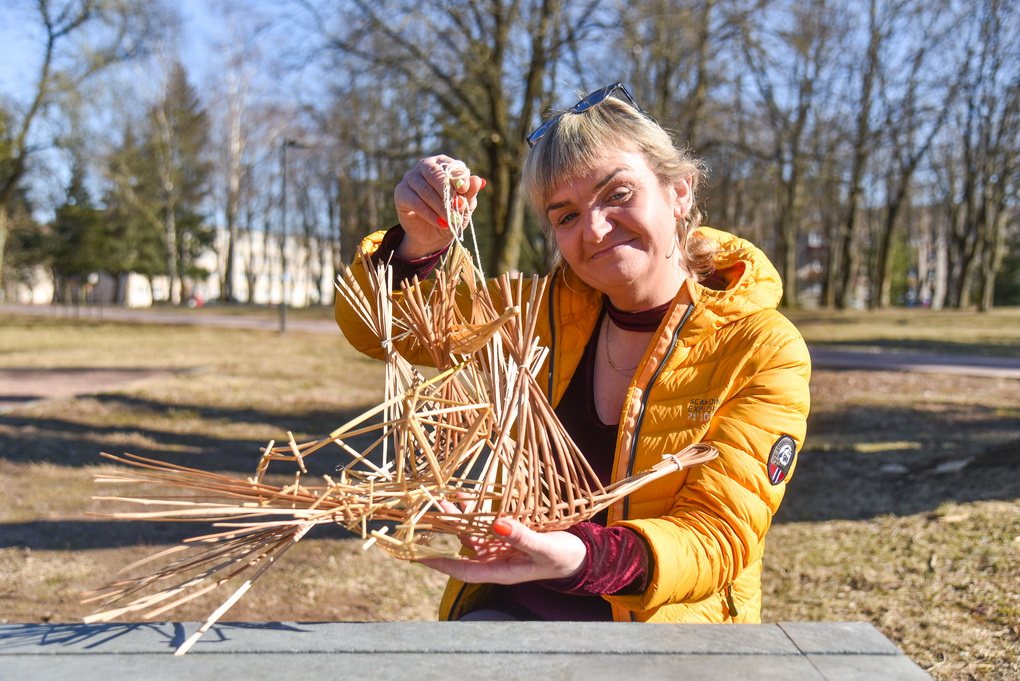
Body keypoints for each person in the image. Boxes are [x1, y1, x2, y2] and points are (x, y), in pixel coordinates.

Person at [335, 83, 811, 623]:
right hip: (510, 612)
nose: (595, 228)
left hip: (659, 635)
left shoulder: (761, 347)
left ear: (679, 192)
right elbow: (381, 330)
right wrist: (419, 242)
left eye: (618, 193)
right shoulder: (533, 313)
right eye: (565, 216)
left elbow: (717, 537)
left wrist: (583, 559)